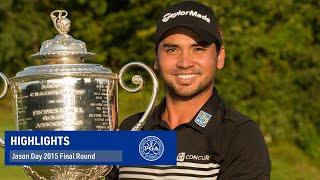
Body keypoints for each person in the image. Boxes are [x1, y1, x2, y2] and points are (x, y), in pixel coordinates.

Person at [107, 1, 271, 179]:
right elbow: (80, 163)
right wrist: (91, 144)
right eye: (172, 49)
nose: (185, 63)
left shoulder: (238, 134)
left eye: (198, 49)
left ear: (219, 57)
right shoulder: (131, 127)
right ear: (156, 58)